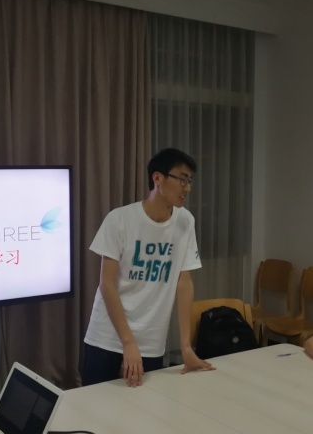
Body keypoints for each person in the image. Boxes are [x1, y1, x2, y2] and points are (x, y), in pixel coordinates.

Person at [82, 148, 214, 387]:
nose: (187, 188)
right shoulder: (119, 219)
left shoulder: (185, 221)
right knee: (95, 403)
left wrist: (186, 347)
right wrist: (128, 342)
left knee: (146, 406)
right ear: (157, 178)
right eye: (182, 179)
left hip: (151, 340)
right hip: (107, 336)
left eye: (189, 181)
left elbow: (184, 283)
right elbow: (106, 284)